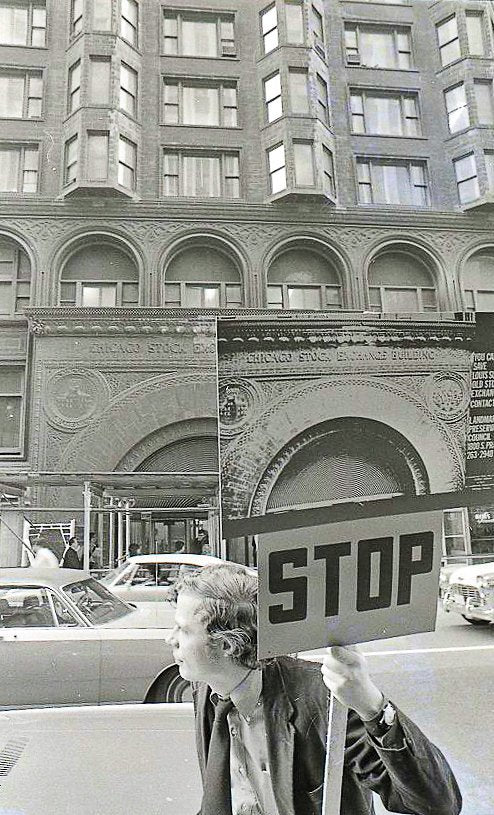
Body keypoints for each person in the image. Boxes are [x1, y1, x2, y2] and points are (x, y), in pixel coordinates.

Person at [167, 562, 462, 815]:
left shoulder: (323, 699)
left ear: (228, 645)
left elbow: (438, 803)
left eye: (183, 630)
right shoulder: (207, 687)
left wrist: (372, 706)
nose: (171, 639)